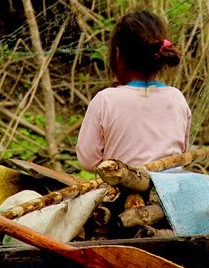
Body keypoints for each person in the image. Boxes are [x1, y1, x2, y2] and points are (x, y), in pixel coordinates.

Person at [76, 9, 190, 171]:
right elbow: (182, 154)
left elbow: (88, 161)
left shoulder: (105, 100)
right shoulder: (176, 98)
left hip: (121, 192)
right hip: (170, 191)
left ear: (118, 55)